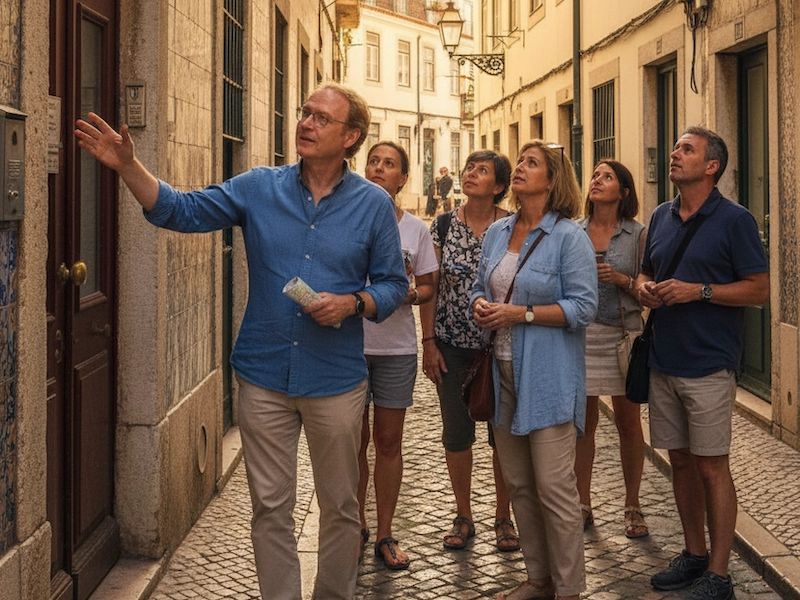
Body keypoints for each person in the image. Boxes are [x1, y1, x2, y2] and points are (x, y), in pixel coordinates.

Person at [74, 83, 409, 600]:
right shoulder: (259, 187)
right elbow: (180, 211)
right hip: (264, 376)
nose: (306, 123)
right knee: (270, 507)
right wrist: (128, 169)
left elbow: (393, 284)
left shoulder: (373, 205)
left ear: (351, 137)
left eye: (322, 118)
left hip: (336, 381)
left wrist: (352, 304)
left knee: (341, 508)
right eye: (305, 113)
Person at [638, 126, 768, 600]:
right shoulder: (660, 214)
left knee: (713, 466)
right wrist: (643, 287)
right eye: (675, 147)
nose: (675, 153)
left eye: (686, 149)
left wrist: (701, 291)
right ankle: (694, 554)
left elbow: (759, 288)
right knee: (680, 462)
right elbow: (645, 271)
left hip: (710, 363)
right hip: (663, 358)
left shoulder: (735, 220)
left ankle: (719, 574)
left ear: (711, 166)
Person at [472, 141, 598, 600]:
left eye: (531, 163)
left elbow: (584, 307)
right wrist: (481, 305)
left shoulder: (569, 236)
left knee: (555, 489)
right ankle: (537, 578)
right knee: (520, 484)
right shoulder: (496, 232)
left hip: (547, 376)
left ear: (552, 179)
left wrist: (520, 314)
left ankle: (569, 590)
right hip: (500, 375)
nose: (520, 168)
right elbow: (477, 289)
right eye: (519, 161)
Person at [420, 150, 521, 554]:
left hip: (501, 347)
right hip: (451, 346)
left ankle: (503, 516)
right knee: (457, 434)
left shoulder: (513, 227)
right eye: (468, 169)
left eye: (482, 171)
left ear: (499, 186)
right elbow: (430, 286)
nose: (470, 175)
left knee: (504, 438)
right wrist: (428, 343)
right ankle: (463, 515)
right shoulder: (443, 225)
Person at [357, 141, 438, 570]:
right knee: (354, 443)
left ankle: (385, 532)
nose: (378, 168)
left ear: (402, 178)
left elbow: (429, 287)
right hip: (347, 348)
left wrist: (411, 294)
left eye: (389, 164)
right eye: (373, 161)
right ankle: (355, 525)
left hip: (395, 349)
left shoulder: (416, 230)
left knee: (388, 442)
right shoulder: (344, 219)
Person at [574, 160, 649, 539]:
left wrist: (620, 279)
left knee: (628, 423)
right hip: (581, 335)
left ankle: (632, 504)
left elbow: (647, 287)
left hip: (622, 336)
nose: (597, 181)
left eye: (607, 177)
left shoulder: (637, 235)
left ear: (623, 192)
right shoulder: (573, 231)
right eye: (595, 176)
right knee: (583, 425)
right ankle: (582, 503)